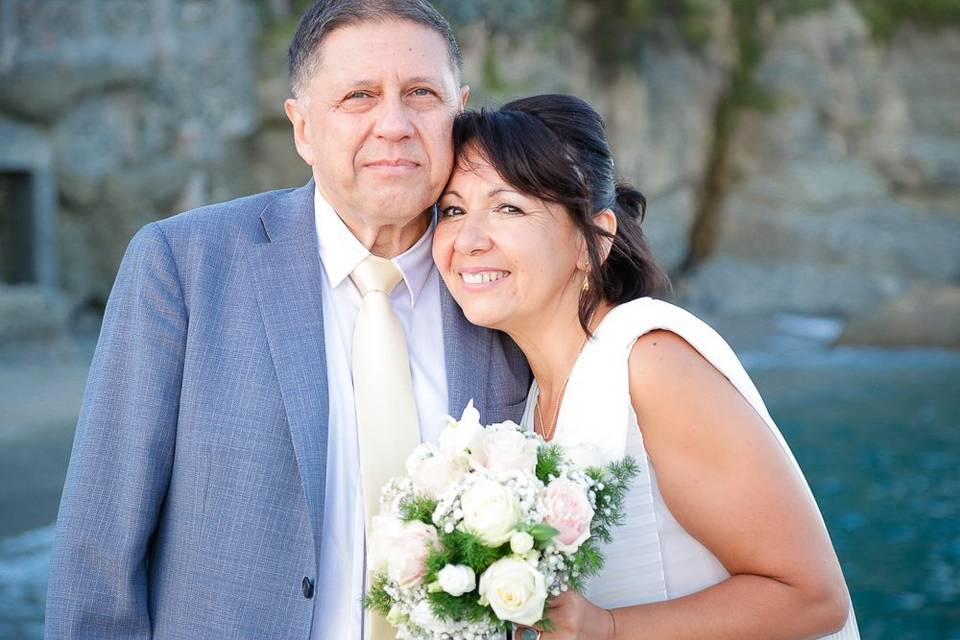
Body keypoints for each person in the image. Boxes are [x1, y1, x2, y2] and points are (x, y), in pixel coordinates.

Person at [44, 2, 528, 638]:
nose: (394, 123)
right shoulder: (184, 267)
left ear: (457, 113)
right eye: (359, 96)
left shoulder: (505, 284)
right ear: (303, 128)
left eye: (420, 93)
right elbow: (97, 558)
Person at [433, 94, 861, 640]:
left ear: (597, 238)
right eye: (452, 209)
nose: (469, 240)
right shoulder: (528, 404)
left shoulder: (649, 363)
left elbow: (812, 597)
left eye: (508, 207)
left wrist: (609, 629)